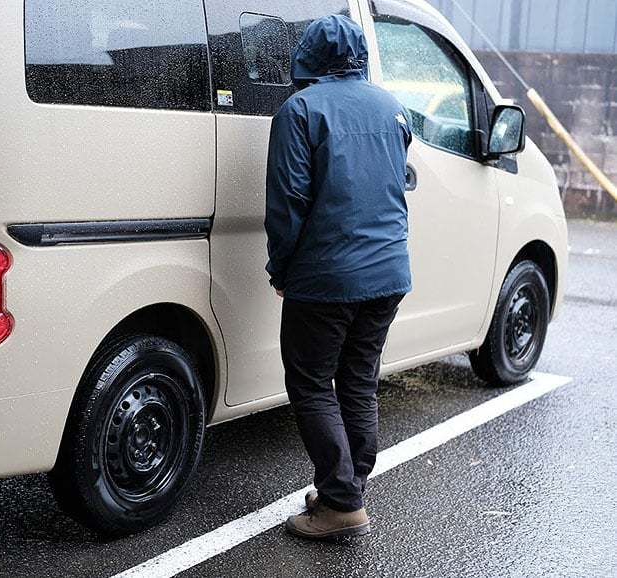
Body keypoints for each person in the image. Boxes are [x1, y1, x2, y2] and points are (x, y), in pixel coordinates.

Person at [265, 14, 412, 540]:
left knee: (310, 382)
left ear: (308, 57)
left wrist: (280, 269)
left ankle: (341, 502)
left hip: (326, 275)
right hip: (389, 271)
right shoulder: (393, 108)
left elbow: (288, 205)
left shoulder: (299, 110)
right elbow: (399, 178)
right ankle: (346, 486)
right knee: (357, 380)